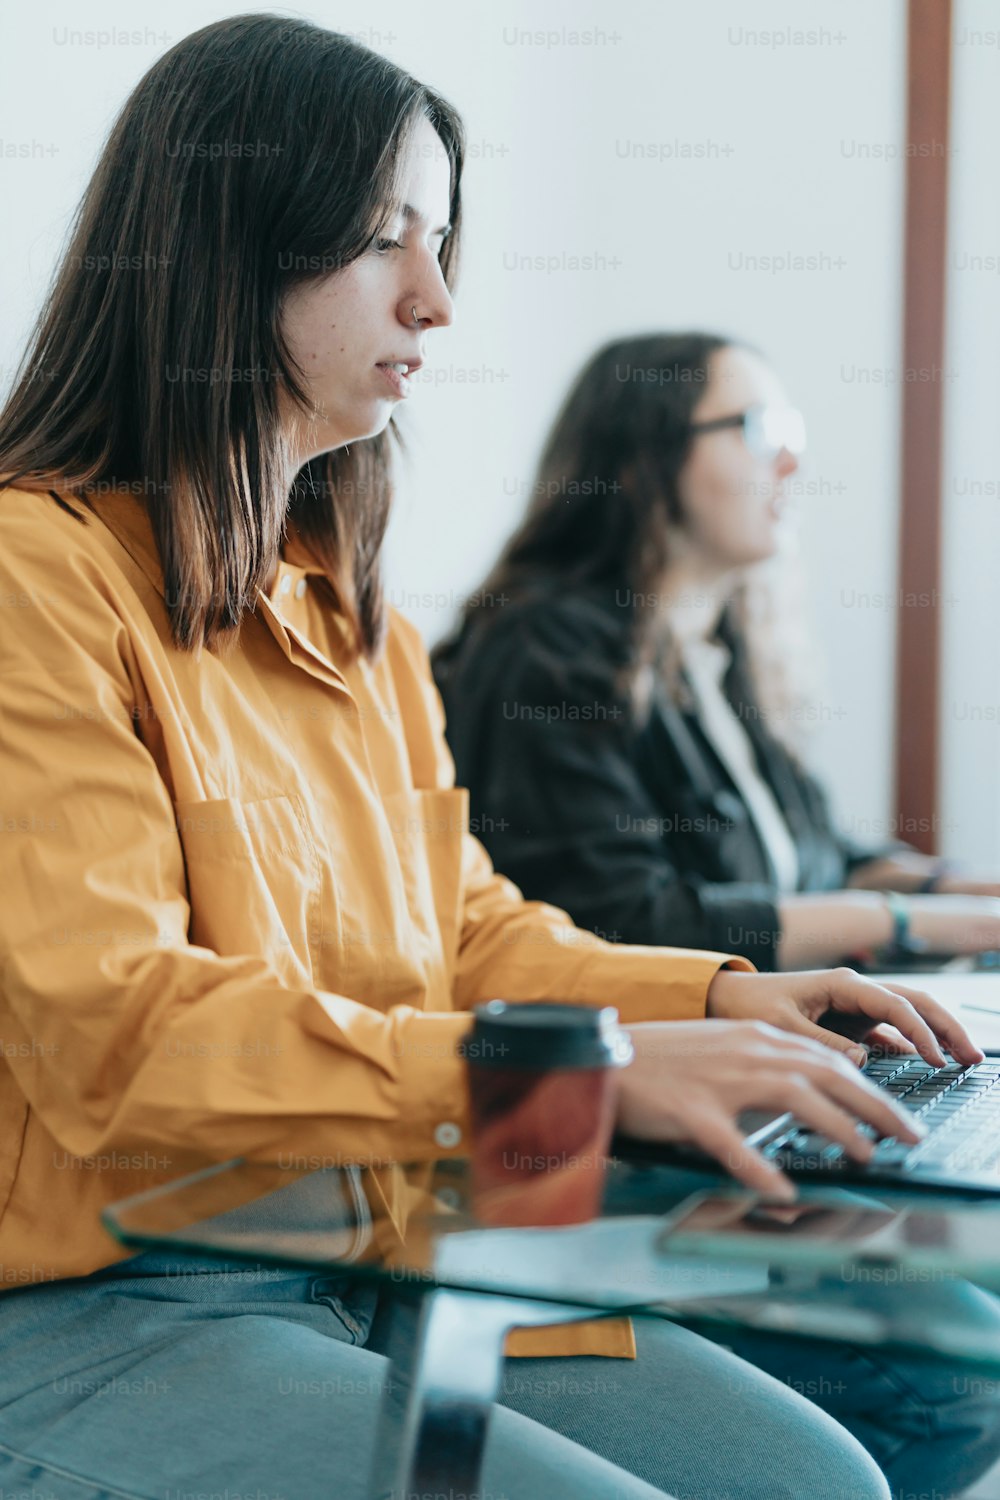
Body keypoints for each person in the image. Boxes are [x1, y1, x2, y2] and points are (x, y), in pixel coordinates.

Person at [0, 19, 991, 1500]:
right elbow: (115, 1037)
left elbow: (466, 932)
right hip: (113, 1295)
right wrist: (591, 1077)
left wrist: (721, 993)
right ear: (231, 236)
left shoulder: (352, 614)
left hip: (399, 1237)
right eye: (387, 238)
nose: (438, 298)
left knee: (818, 1480)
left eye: (444, 239)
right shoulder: (37, 576)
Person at [433, 331, 1000, 973]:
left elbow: (811, 857)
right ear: (645, 455)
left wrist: (953, 891)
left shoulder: (717, 652)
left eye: (793, 432)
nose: (791, 463)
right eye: (761, 430)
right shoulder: (543, 647)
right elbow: (621, 921)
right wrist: (905, 921)